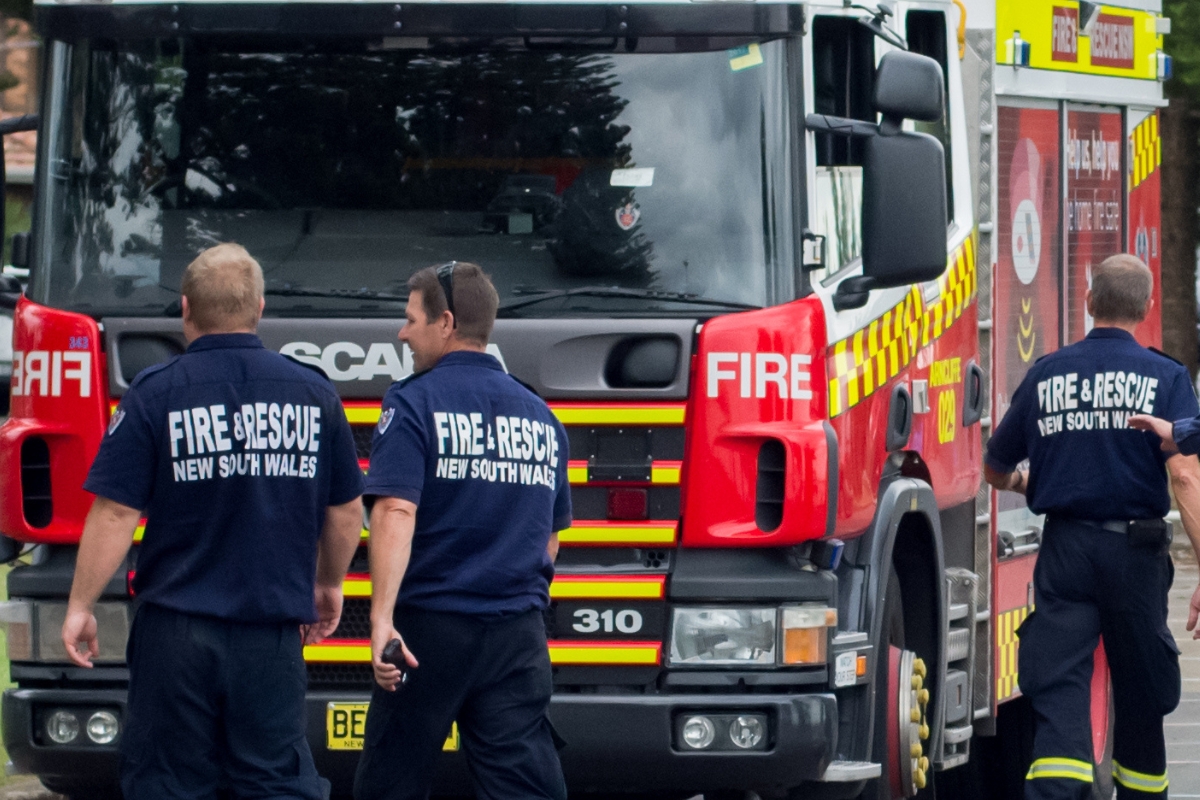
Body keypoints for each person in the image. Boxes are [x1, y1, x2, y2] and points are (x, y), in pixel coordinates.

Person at [61, 243, 365, 800]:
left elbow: (116, 511)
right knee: (275, 783)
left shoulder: (155, 393)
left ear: (185, 309)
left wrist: (81, 606)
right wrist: (328, 583)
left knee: (168, 784)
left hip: (175, 633)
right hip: (272, 636)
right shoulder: (314, 393)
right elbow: (346, 510)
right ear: (260, 308)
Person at [983, 253, 1200, 800]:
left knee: (1058, 690)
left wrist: (1030, 485)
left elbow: (995, 465)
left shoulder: (1047, 373)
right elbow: (1185, 476)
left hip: (1067, 551)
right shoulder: (1166, 376)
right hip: (1137, 555)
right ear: (1147, 307)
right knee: (1142, 695)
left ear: (1088, 302)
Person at [354, 261, 570, 800]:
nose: (402, 333)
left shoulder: (413, 402)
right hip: (517, 636)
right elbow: (550, 534)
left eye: (410, 320)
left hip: (429, 634)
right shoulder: (542, 417)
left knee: (391, 783)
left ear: (445, 322)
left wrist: (381, 620)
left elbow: (395, 511)